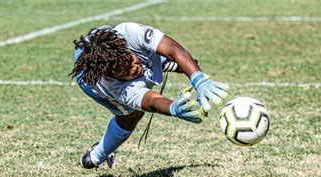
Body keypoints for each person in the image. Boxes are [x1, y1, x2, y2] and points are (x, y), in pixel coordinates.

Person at [70, 22, 229, 169]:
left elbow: (174, 48)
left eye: (130, 60)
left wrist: (199, 79)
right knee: (132, 115)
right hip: (88, 79)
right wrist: (173, 107)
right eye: (123, 71)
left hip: (97, 39)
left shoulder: (128, 33)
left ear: (125, 47)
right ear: (112, 74)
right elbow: (151, 101)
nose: (132, 68)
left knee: (183, 59)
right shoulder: (116, 88)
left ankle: (161, 63)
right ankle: (96, 155)